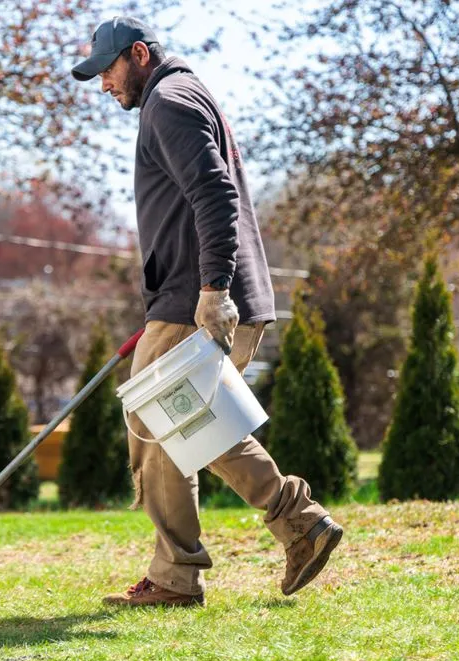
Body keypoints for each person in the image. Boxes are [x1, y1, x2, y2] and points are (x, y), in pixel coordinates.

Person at [71, 17, 344, 607]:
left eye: (108, 70)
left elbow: (215, 194)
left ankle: (293, 520)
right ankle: (181, 572)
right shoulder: (184, 94)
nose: (104, 85)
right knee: (177, 429)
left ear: (138, 54)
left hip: (199, 299)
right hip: (195, 295)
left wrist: (212, 290)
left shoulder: (168, 101)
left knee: (174, 422)